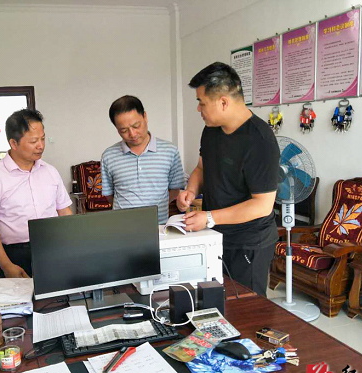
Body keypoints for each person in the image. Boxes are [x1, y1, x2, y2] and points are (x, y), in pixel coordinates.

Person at [177, 62, 279, 295]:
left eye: (202, 102)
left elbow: (262, 205)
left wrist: (208, 217)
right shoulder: (211, 129)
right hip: (214, 235)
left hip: (248, 242)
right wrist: (190, 191)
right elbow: (201, 168)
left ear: (223, 102)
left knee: (245, 306)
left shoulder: (260, 140)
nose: (198, 109)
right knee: (213, 300)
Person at [0, 109, 72, 278]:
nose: (41, 145)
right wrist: (7, 266)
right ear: (14, 143)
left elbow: (64, 211)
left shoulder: (50, 171)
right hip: (15, 255)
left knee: (59, 293)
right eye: (34, 141)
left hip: (54, 249)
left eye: (42, 139)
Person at [101, 95, 185, 224]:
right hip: (122, 227)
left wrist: (154, 208)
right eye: (124, 130)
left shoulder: (170, 151)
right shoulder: (109, 155)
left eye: (136, 126)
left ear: (145, 116)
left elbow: (175, 190)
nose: (132, 134)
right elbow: (109, 194)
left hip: (158, 226)